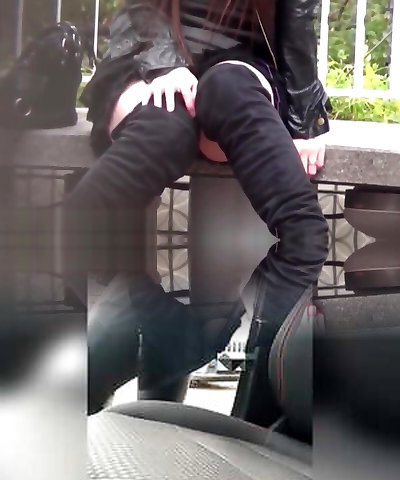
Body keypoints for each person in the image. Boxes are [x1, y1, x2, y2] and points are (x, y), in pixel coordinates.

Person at [64, 0, 329, 414]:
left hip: (238, 66)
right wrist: (164, 65)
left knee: (304, 233)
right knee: (166, 127)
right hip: (147, 51)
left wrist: (305, 120)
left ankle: (253, 421)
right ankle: (113, 349)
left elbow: (296, 17)